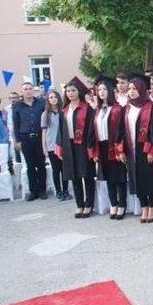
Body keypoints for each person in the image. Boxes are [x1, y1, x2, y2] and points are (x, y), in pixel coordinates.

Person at [116, 75, 153, 223]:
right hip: (131, 149)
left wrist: (151, 150)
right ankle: (144, 206)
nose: (131, 91)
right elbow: (120, 131)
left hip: (146, 149)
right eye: (129, 89)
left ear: (142, 90)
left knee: (150, 178)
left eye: (135, 88)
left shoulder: (151, 107)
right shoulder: (126, 109)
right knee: (136, 178)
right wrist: (120, 150)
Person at [55, 77, 96, 218]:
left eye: (73, 90)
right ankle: (79, 205)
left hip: (83, 145)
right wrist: (59, 145)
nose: (70, 93)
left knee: (87, 175)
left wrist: (90, 146)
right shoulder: (64, 110)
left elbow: (92, 128)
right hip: (69, 145)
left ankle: (89, 204)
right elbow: (60, 129)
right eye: (68, 91)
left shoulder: (87, 108)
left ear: (79, 92)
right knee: (74, 176)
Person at [92, 77, 127, 220]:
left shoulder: (118, 109)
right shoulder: (98, 110)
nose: (101, 92)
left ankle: (122, 205)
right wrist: (94, 151)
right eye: (99, 90)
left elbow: (122, 131)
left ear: (111, 91)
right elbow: (93, 132)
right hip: (102, 146)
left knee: (119, 177)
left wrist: (120, 150)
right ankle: (113, 203)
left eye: (104, 89)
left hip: (115, 146)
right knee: (108, 178)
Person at [13, 82, 47, 201]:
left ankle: (42, 190)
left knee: (41, 165)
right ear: (22, 91)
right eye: (25, 89)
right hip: (25, 138)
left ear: (33, 90)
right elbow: (15, 124)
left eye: (30, 88)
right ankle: (34, 191)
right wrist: (17, 141)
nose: (28, 91)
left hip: (40, 137)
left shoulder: (41, 103)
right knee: (30, 166)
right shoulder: (17, 106)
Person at [41, 90, 71, 201]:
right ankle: (58, 191)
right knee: (55, 169)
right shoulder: (45, 114)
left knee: (64, 169)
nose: (53, 99)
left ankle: (65, 190)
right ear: (48, 100)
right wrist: (44, 147)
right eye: (51, 97)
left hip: (63, 145)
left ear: (58, 98)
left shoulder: (63, 112)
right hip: (51, 146)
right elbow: (44, 131)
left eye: (55, 97)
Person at [6, 91, 22, 168]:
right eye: (11, 98)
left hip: (22, 135)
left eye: (15, 98)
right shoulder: (6, 110)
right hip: (11, 136)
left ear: (18, 98)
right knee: (15, 158)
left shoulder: (22, 107)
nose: (13, 100)